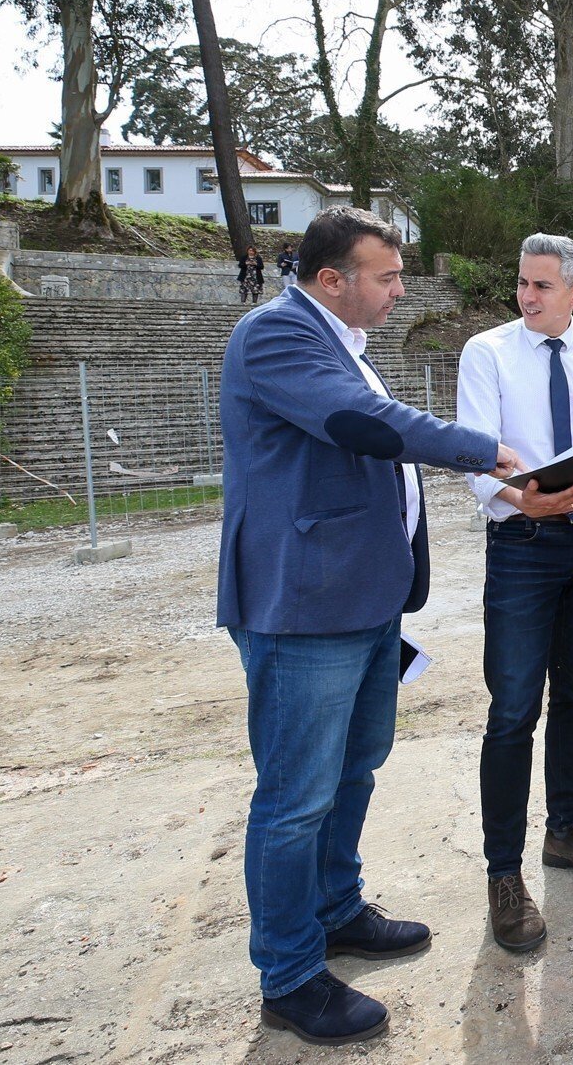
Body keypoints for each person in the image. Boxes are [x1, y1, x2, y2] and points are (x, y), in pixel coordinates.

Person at [217, 206, 520, 1045]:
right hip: (305, 607)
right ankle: (289, 975)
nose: (399, 290)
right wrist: (479, 448)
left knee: (353, 770)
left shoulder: (338, 341)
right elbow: (360, 425)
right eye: (386, 277)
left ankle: (335, 909)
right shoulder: (276, 336)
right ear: (330, 280)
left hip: (360, 600)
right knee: (295, 798)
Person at [454, 233, 573, 954]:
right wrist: (519, 499)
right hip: (523, 545)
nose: (526, 297)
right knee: (512, 711)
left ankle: (566, 830)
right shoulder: (488, 352)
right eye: (522, 283)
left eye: (542, 286)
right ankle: (503, 874)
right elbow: (476, 454)